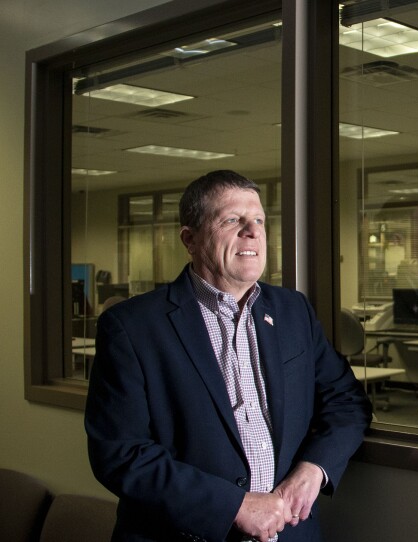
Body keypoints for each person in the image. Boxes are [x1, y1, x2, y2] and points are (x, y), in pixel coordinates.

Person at [85, 170, 372, 542]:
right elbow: (120, 453)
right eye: (232, 220)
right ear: (190, 239)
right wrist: (233, 506)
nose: (252, 231)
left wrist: (313, 470)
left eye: (259, 221)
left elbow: (347, 401)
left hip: (290, 532)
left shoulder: (292, 311)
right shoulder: (132, 327)